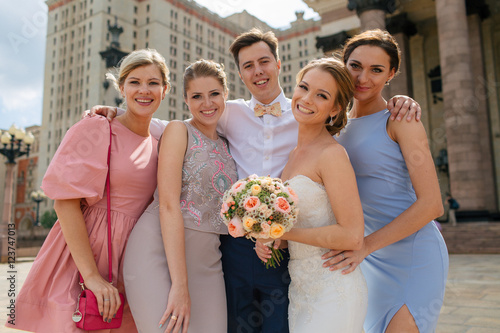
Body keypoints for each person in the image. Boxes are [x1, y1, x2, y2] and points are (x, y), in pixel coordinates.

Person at [89, 28, 421, 333]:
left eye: (264, 61)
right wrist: (118, 112)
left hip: (287, 247)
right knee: (234, 323)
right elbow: (185, 127)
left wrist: (396, 101)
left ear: (278, 64)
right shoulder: (227, 111)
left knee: (279, 323)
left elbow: (348, 129)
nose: (257, 71)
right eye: (248, 65)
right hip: (231, 244)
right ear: (240, 74)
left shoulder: (305, 111)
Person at [6, 48, 170, 332]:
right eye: (134, 82)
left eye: (153, 83)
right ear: (121, 87)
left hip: (135, 261)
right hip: (86, 254)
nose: (144, 90)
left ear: (165, 90)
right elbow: (64, 203)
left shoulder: (162, 140)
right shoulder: (97, 127)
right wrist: (91, 276)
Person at [324, 29, 449, 333]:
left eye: (376, 70)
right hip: (366, 260)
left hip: (412, 253)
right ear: (344, 65)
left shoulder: (401, 119)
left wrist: (365, 246)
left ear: (391, 73)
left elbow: (432, 204)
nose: (362, 78)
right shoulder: (333, 126)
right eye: (355, 66)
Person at [122, 59, 237, 333]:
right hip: (157, 252)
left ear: (226, 95)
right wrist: (180, 284)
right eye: (197, 96)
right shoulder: (178, 131)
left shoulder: (229, 143)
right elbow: (169, 205)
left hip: (209, 260)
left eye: (214, 94)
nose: (206, 103)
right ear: (185, 99)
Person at [255, 58, 368, 332]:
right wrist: (269, 242)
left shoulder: (333, 155)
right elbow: (299, 228)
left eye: (322, 95)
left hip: (334, 288)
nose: (306, 99)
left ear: (336, 108)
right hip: (301, 291)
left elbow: (352, 235)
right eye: (303, 87)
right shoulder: (292, 157)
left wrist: (282, 233)